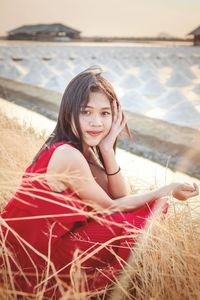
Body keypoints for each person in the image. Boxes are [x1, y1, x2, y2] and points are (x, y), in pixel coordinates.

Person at [0, 67, 199, 298]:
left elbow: (119, 195)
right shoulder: (68, 155)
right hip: (34, 261)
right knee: (146, 211)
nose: (96, 122)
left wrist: (107, 150)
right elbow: (112, 206)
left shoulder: (80, 150)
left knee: (141, 211)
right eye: (86, 112)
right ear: (68, 113)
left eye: (105, 113)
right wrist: (166, 189)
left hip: (34, 251)